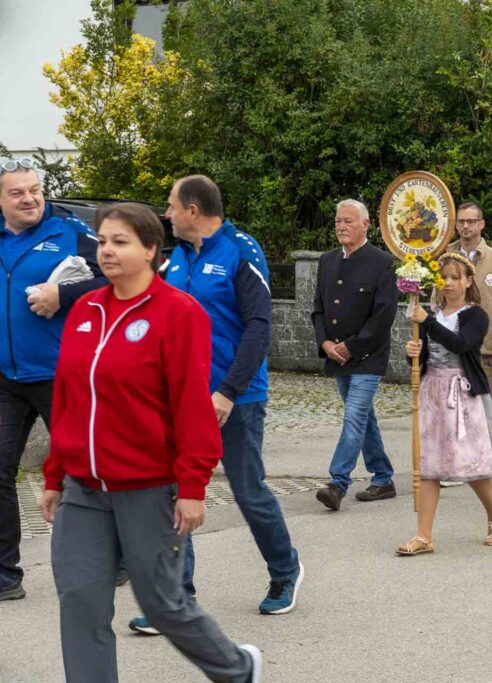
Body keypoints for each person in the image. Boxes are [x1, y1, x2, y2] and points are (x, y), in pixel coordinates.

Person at [38, 203, 261, 682]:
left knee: (162, 605)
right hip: (83, 487)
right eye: (102, 242)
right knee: (79, 600)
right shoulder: (85, 309)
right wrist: (54, 474)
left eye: (120, 242)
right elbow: (69, 398)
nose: (107, 251)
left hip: (146, 486)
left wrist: (194, 485)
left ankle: (237, 669)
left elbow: (190, 405)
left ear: (150, 249)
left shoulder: (179, 314)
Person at [123, 176, 303, 637]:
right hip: (181, 400)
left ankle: (285, 571)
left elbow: (259, 328)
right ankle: (176, 596)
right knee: (171, 494)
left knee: (248, 491)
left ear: (193, 211)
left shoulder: (241, 251)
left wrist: (226, 391)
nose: (166, 215)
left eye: (171, 207)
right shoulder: (177, 257)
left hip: (235, 399)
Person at [0, 158, 106, 602]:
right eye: (17, 192)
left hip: (63, 375)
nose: (29, 199)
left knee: (88, 468)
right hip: (6, 378)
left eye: (35, 190)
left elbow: (111, 276)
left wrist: (62, 293)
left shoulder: (70, 231)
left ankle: (110, 559)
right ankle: (7, 573)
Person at [397, 253, 492, 555]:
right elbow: (426, 355)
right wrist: (414, 351)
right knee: (429, 463)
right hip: (432, 390)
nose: (449, 283)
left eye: (456, 277)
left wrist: (428, 322)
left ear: (469, 281)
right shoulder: (431, 314)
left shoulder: (475, 315)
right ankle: (424, 535)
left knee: (469, 462)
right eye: (444, 277)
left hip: (462, 393)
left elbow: (461, 344)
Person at [313, 199, 399, 510]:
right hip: (336, 356)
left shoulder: (382, 262)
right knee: (364, 419)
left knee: (353, 417)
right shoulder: (327, 260)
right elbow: (319, 308)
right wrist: (325, 343)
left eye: (348, 221)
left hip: (367, 357)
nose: (341, 226)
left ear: (365, 225)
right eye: (338, 221)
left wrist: (351, 346)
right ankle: (383, 477)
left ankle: (337, 483)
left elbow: (383, 315)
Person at [442, 203, 492, 478]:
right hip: (455, 344)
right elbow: (436, 298)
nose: (466, 226)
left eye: (471, 221)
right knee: (457, 404)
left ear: (481, 224)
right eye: (461, 221)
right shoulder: (445, 256)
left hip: (490, 345)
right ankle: (463, 462)